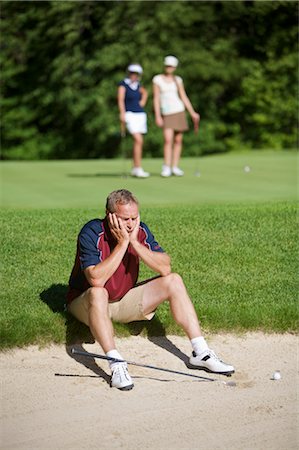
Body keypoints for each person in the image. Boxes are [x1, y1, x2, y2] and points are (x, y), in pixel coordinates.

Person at [67, 189, 234, 391]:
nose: (130, 224)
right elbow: (96, 279)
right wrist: (122, 244)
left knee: (174, 280)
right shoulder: (92, 231)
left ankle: (201, 352)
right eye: (124, 218)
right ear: (109, 215)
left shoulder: (140, 231)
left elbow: (165, 267)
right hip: (87, 304)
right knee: (98, 292)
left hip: (122, 302)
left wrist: (135, 242)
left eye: (134, 218)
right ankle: (116, 363)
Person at [153, 55, 200, 177]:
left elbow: (183, 96)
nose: (169, 68)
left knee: (178, 140)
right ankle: (166, 167)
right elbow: (156, 98)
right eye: (168, 65)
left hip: (179, 110)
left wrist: (192, 112)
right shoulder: (157, 79)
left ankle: (175, 166)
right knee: (168, 140)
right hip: (166, 112)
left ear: (174, 67)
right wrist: (157, 115)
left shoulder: (177, 80)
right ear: (165, 66)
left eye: (171, 66)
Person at [117, 63, 150, 178]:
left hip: (140, 114)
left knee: (139, 142)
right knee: (138, 140)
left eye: (136, 74)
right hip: (129, 114)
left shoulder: (138, 85)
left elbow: (145, 92)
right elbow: (120, 100)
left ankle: (136, 167)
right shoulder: (123, 85)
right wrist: (122, 113)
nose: (134, 75)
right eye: (132, 73)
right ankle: (137, 168)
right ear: (129, 73)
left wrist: (143, 101)